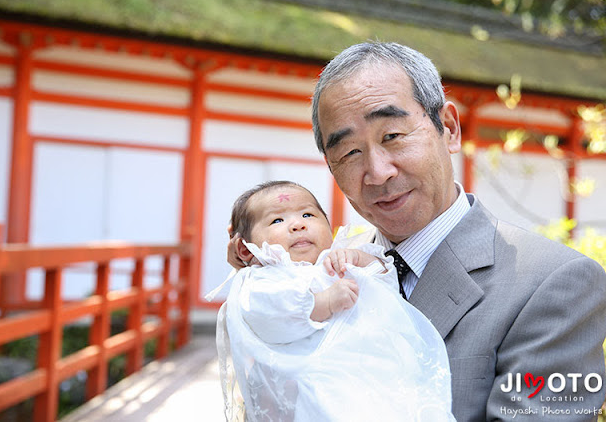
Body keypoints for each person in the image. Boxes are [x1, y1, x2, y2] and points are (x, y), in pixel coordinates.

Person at [226, 42, 606, 421]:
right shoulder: (327, 270)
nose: (378, 172)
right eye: (349, 153)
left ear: (450, 129)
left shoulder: (555, 283)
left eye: (392, 136)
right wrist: (262, 289)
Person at [212, 180, 455, 421]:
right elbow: (273, 314)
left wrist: (361, 260)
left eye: (308, 214)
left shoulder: (336, 260)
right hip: (320, 388)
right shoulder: (263, 280)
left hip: (378, 376)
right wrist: (324, 302)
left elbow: (385, 284)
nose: (297, 224)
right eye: (277, 220)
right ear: (245, 249)